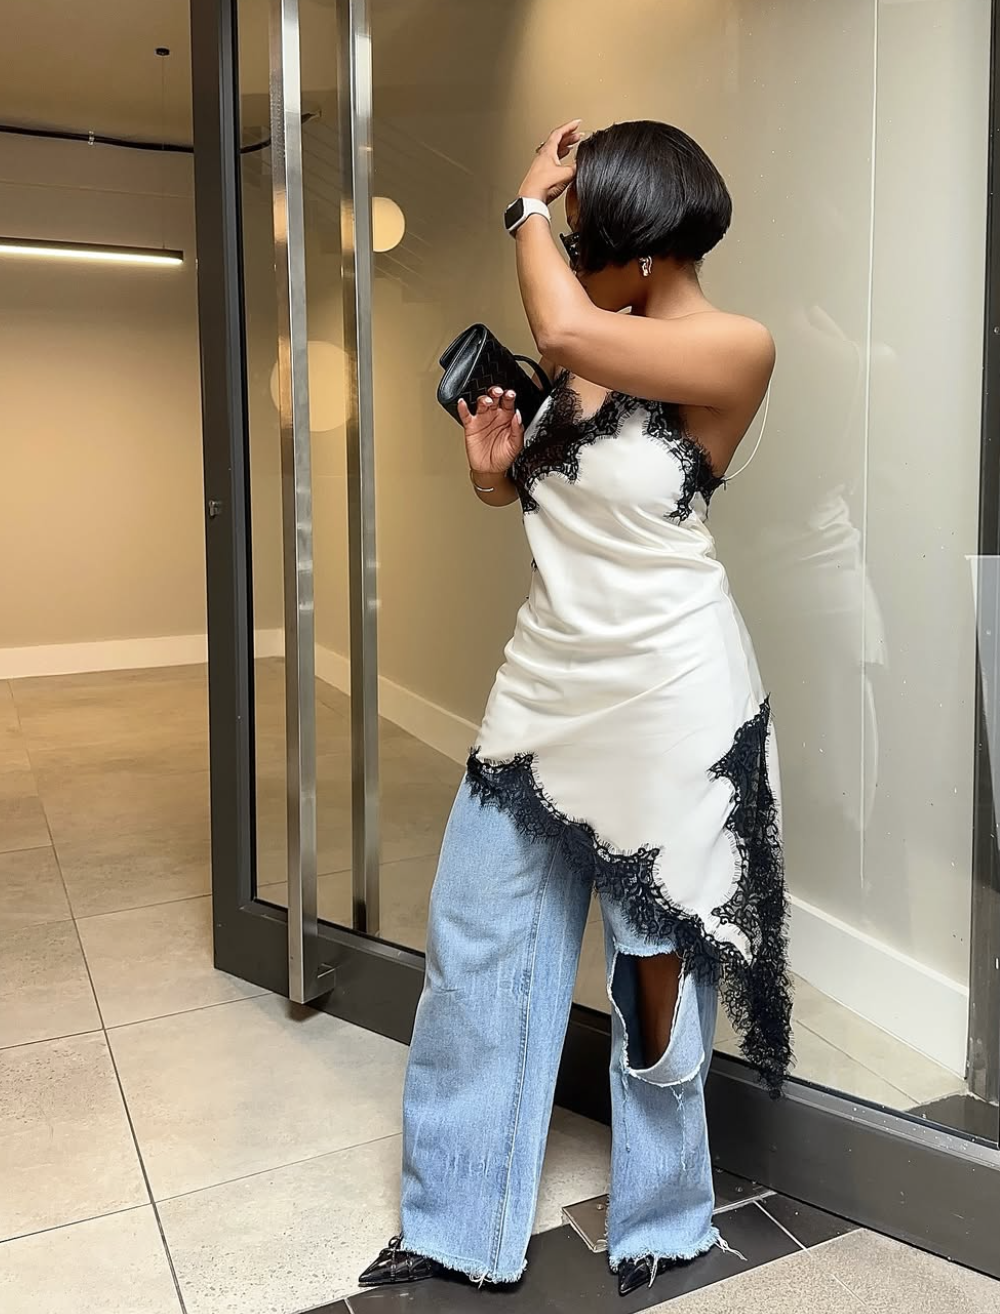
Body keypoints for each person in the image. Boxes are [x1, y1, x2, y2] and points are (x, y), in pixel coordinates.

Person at [359, 118, 791, 1299]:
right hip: (542, 698)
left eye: (587, 234)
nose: (571, 251)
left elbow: (557, 320)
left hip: (669, 707)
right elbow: (553, 499)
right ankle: (454, 1225)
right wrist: (495, 463)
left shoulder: (731, 349)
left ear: (638, 247)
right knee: (476, 952)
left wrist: (523, 206)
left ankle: (664, 1218)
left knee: (656, 976)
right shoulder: (590, 357)